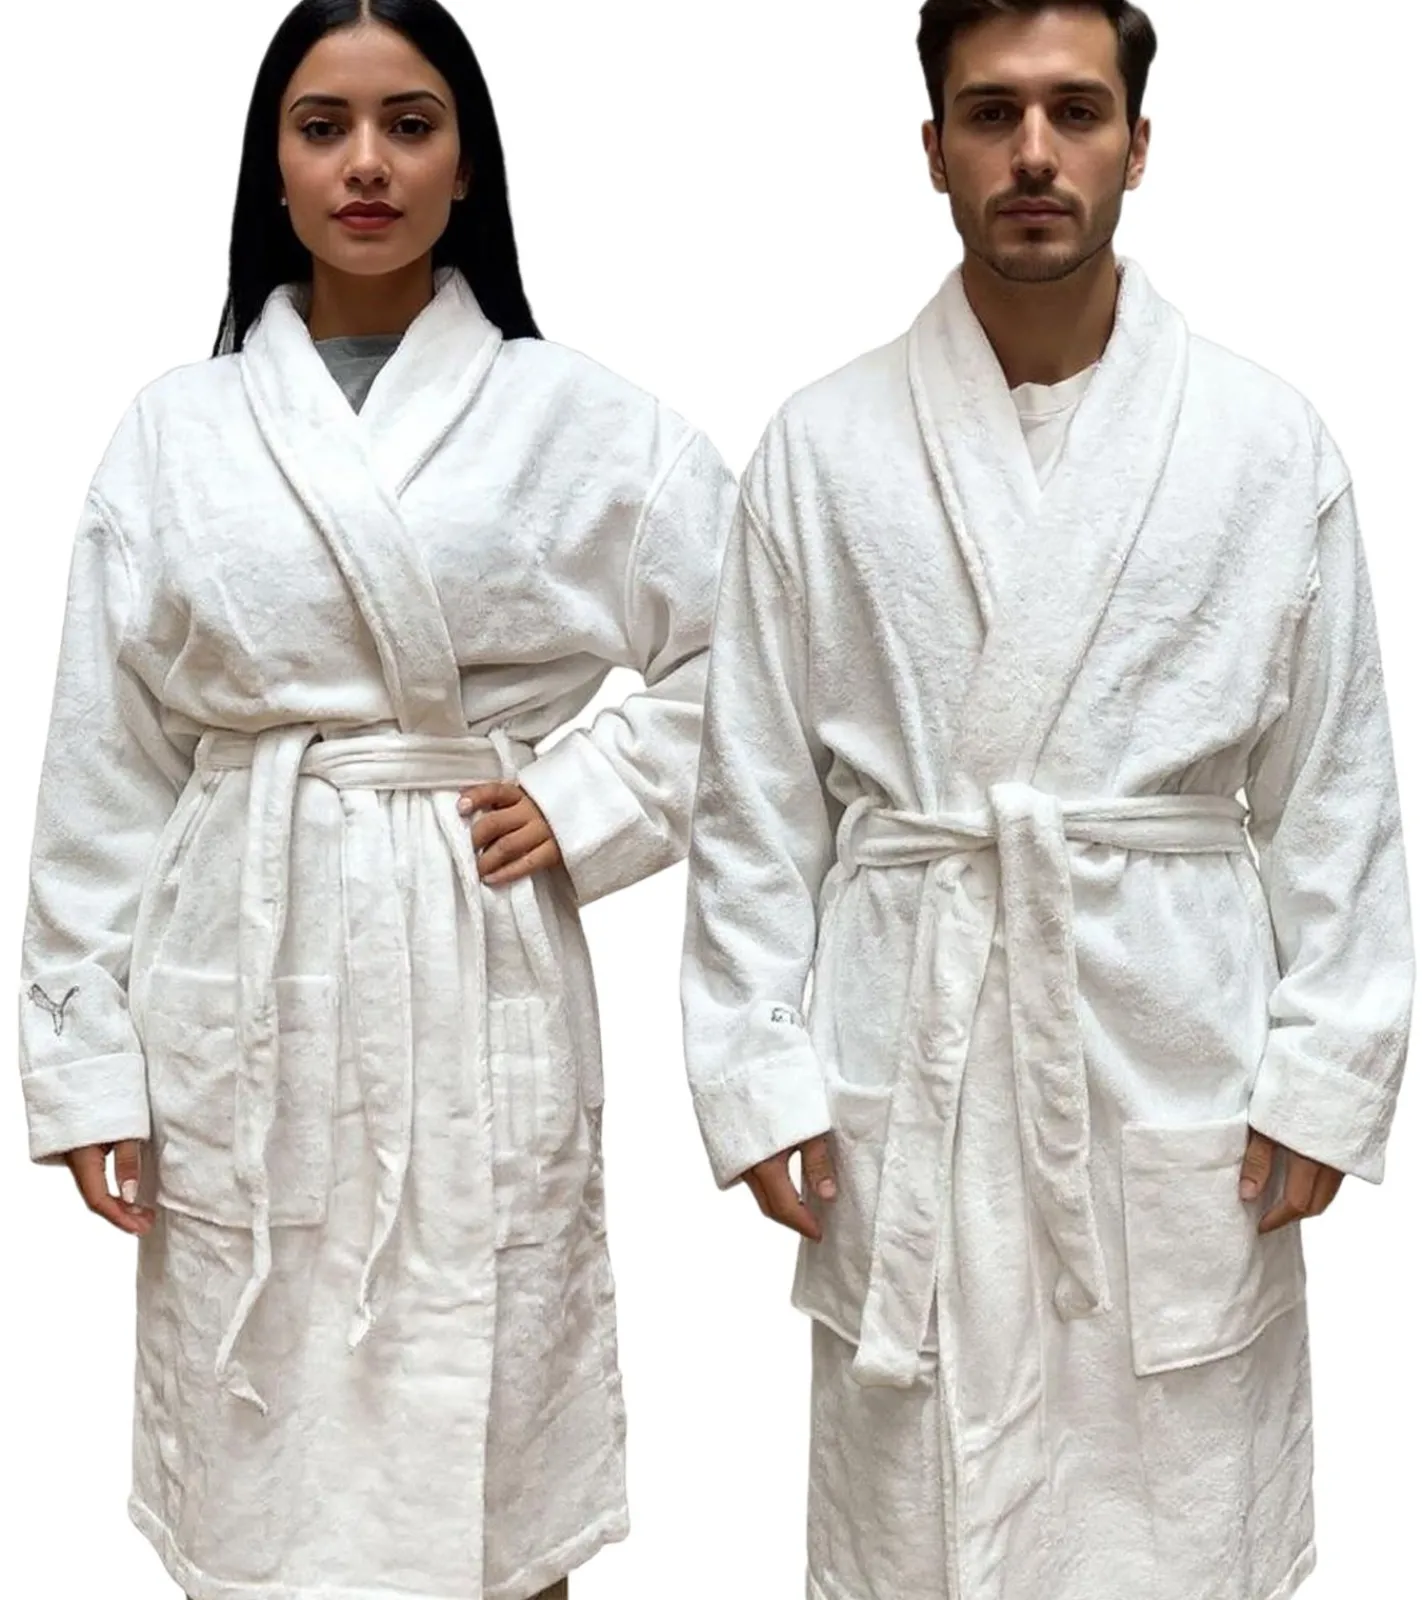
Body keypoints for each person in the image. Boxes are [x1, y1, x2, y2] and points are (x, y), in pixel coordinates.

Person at [680, 2, 1413, 1597]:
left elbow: (1334, 789)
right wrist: (754, 1065)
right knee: (919, 1527)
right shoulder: (819, 444)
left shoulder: (1263, 440)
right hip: (913, 1044)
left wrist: (1326, 1071)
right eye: (988, 112)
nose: (1032, 153)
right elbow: (752, 801)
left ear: (1136, 146)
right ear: (930, 147)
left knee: (1169, 1519)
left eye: (1074, 112)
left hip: (1167, 1049)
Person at [17, 2, 735, 1598]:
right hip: (242, 961)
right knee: (261, 1459)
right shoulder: (174, 431)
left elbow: (762, 649)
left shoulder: (582, 419)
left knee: (490, 1444)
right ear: (270, 167)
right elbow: (106, 760)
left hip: (466, 951)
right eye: (322, 126)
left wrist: (591, 795)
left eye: (410, 125)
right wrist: (86, 1060)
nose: (366, 164)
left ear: (465, 165)